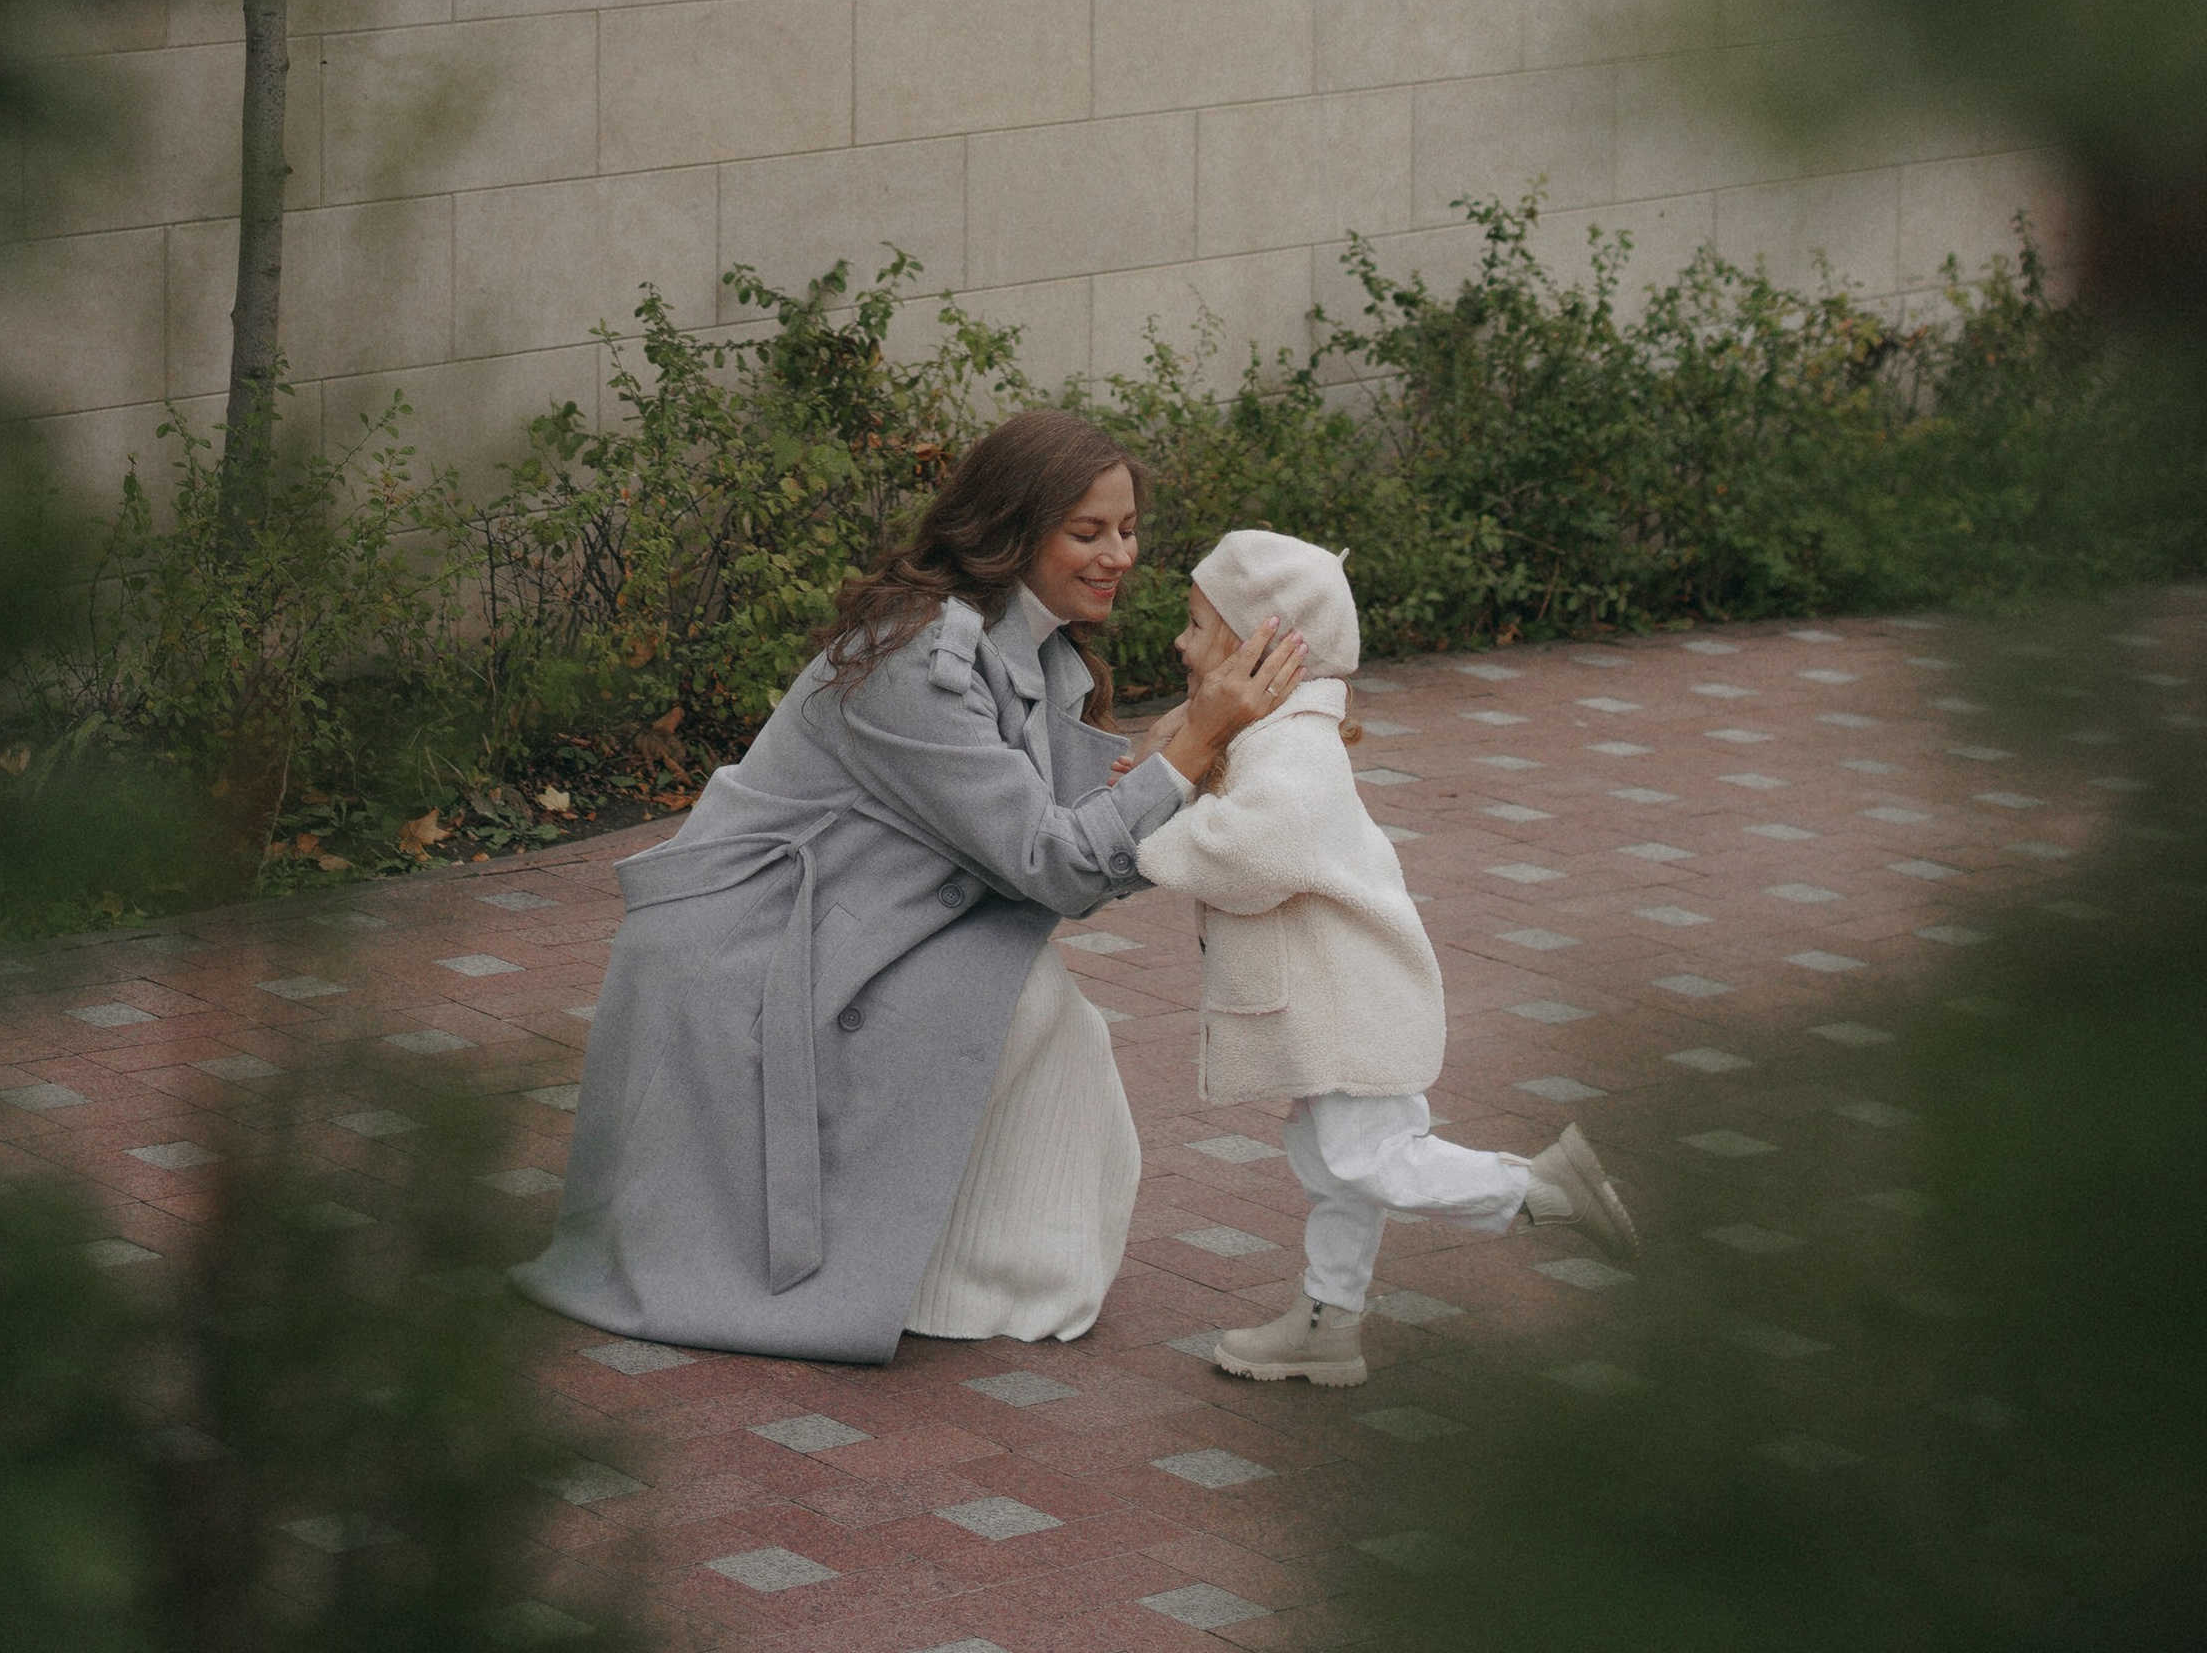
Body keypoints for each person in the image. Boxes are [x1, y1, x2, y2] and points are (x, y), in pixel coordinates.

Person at [513, 413, 1306, 1365]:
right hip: (752, 953)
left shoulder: (1034, 648)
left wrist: (1206, 742)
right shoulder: (916, 659)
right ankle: (946, 1282)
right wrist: (1196, 741)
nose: (1118, 556)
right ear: (1014, 529)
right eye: (1087, 532)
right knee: (1026, 1006)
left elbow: (1067, 853)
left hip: (850, 924)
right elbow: (1053, 863)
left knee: (1049, 1014)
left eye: (1127, 530)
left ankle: (966, 1283)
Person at [1134, 527, 1638, 1388]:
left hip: (1350, 1001)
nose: (1180, 642)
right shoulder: (1273, 738)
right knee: (1339, 1165)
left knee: (1370, 1158)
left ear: (1258, 644)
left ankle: (1540, 1188)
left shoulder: (1294, 749)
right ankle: (1329, 1324)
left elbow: (1254, 858)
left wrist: (1151, 827)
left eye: (1195, 623)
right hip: (1335, 1001)